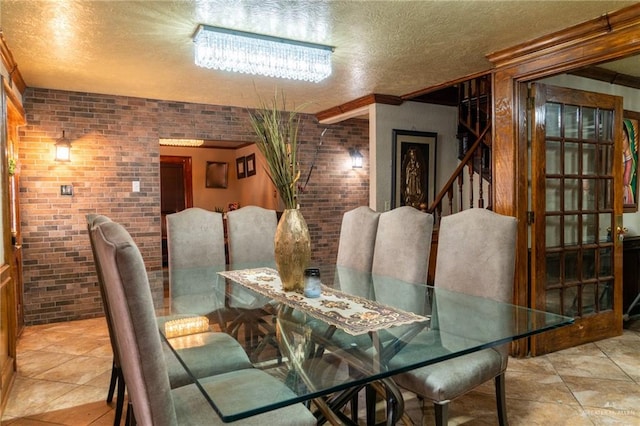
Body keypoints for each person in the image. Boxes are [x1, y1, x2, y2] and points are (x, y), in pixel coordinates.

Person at [623, 121, 636, 205]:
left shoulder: (629, 158)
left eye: (623, 138)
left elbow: (626, 181)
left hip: (624, 192)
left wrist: (627, 153)